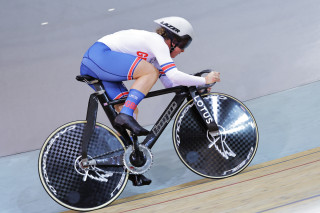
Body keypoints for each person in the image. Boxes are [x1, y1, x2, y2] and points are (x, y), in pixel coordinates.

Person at [80, 17, 220, 186]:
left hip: (97, 63)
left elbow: (170, 82)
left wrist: (196, 84)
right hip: (99, 56)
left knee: (130, 107)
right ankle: (125, 115)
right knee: (149, 73)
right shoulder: (157, 42)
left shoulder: (155, 55)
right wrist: (204, 80)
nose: (183, 50)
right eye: (183, 44)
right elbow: (173, 75)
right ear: (172, 39)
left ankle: (128, 164)